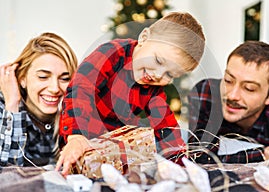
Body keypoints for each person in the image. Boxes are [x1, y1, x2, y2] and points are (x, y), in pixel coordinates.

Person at [55, 11, 206, 175]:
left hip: (110, 147)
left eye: (170, 75)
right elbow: (81, 89)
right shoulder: (112, 54)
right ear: (144, 38)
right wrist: (76, 136)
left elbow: (165, 125)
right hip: (80, 133)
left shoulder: (153, 88)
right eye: (158, 60)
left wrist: (181, 163)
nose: (158, 75)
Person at [188, 40, 269, 164]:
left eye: (249, 88)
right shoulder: (205, 94)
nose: (232, 95)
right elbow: (197, 156)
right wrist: (263, 154)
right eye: (228, 80)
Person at [0, 32, 78, 166]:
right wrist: (12, 105)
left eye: (64, 79)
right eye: (43, 77)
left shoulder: (74, 114)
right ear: (22, 78)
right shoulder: (4, 106)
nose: (55, 88)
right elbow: (7, 171)